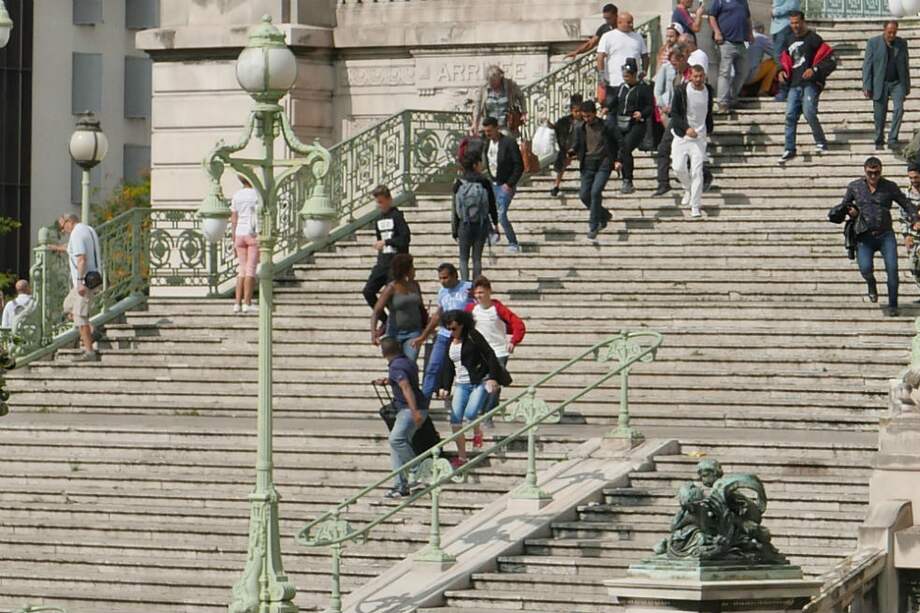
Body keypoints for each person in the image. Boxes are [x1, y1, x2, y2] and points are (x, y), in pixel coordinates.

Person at [828, 157, 918, 316]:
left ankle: (893, 305)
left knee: (892, 269)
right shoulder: (855, 187)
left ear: (881, 171)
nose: (873, 176)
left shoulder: (889, 187)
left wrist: (915, 219)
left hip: (885, 235)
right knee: (865, 268)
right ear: (865, 171)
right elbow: (844, 205)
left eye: (876, 173)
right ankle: (871, 283)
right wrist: (849, 211)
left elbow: (906, 203)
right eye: (870, 173)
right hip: (864, 236)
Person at [440, 309, 511, 468]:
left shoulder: (473, 335)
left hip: (479, 380)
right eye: (448, 329)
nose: (452, 332)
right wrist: (445, 386)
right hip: (460, 384)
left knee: (471, 413)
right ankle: (462, 457)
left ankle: (477, 431)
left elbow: (490, 354)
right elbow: (448, 366)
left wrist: (492, 377)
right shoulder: (449, 342)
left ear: (463, 325)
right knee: (455, 420)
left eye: (454, 328)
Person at [777, 11, 834, 164]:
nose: (794, 26)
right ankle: (789, 148)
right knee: (789, 115)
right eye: (792, 23)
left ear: (803, 22)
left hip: (810, 84)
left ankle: (821, 142)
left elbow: (830, 60)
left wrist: (814, 70)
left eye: (797, 22)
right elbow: (783, 61)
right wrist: (781, 72)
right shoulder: (788, 40)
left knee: (809, 112)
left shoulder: (814, 39)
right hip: (794, 85)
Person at [412, 264, 474, 399]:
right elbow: (437, 314)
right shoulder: (442, 292)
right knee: (432, 367)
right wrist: (423, 336)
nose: (442, 281)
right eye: (440, 278)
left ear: (454, 276)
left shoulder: (468, 287)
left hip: (463, 335)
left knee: (466, 369)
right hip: (444, 334)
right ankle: (424, 403)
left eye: (445, 278)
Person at [376, 337, 428, 499]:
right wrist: (388, 381)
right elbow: (406, 382)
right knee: (396, 448)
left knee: (396, 440)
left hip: (409, 409)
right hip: (415, 407)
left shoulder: (396, 366)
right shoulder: (407, 362)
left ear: (384, 352)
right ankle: (400, 486)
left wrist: (414, 412)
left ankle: (417, 471)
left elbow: (406, 388)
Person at [465, 276, 525, 415]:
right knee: (483, 384)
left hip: (498, 351)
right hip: (480, 353)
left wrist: (513, 341)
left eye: (482, 292)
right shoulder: (471, 309)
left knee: (494, 384)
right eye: (476, 293)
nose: (479, 296)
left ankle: (488, 415)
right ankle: (483, 411)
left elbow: (518, 324)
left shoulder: (497, 308)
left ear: (489, 291)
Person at [363, 185, 411, 337]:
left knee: (391, 298)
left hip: (395, 264)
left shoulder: (397, 216)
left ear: (389, 200)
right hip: (382, 262)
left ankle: (396, 325)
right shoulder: (378, 219)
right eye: (377, 202)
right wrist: (380, 246)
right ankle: (386, 319)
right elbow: (380, 239)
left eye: (382, 202)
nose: (379, 205)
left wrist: (387, 242)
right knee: (368, 291)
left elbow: (405, 239)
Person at [53, 214, 102, 362]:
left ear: (70, 221)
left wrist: (80, 282)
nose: (63, 231)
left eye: (63, 227)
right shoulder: (87, 229)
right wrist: (55, 248)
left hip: (85, 281)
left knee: (80, 317)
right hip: (90, 278)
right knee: (68, 306)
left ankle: (89, 352)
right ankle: (92, 331)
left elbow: (82, 259)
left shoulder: (76, 233)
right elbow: (71, 249)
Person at [671, 64, 715, 218]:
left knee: (697, 172)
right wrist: (685, 128)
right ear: (690, 76)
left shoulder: (708, 90)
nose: (698, 79)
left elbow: (708, 112)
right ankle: (687, 187)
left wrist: (708, 130)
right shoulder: (681, 91)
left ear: (704, 76)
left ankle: (695, 205)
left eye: (701, 76)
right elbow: (674, 114)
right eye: (695, 76)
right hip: (681, 136)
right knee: (678, 167)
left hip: (699, 138)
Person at [606, 57, 653, 195]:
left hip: (636, 125)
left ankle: (628, 180)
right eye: (624, 76)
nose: (625, 79)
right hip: (621, 122)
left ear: (634, 75)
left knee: (626, 147)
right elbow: (615, 102)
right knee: (618, 145)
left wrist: (642, 114)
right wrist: (607, 108)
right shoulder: (621, 88)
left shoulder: (644, 88)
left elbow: (650, 106)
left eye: (628, 76)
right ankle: (618, 164)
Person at [863, 21, 910, 150]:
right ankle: (879, 139)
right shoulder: (873, 43)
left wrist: (907, 86)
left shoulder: (902, 44)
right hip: (880, 83)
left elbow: (905, 65)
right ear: (884, 30)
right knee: (879, 115)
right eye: (889, 32)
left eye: (894, 32)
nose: (891, 35)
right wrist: (867, 85)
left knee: (899, 109)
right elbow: (867, 65)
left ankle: (893, 138)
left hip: (897, 83)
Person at [452, 151, 499, 282]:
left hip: (464, 225)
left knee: (463, 258)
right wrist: (495, 224)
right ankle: (476, 284)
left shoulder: (459, 183)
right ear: (475, 165)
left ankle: (465, 284)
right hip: (481, 224)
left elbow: (454, 210)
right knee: (477, 258)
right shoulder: (484, 182)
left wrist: (454, 230)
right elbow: (492, 206)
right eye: (479, 163)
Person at [572, 100, 615, 239]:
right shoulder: (581, 128)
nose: (587, 119)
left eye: (589, 116)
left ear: (595, 114)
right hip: (588, 164)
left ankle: (593, 226)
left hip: (603, 163)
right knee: (584, 195)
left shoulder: (606, 126)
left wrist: (618, 159)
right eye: (584, 117)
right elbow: (578, 144)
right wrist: (572, 151)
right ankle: (604, 215)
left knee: (595, 192)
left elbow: (618, 142)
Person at [371, 254, 424, 361]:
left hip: (414, 332)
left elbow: (420, 306)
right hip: (395, 333)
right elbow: (377, 311)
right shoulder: (391, 288)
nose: (414, 270)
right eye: (412, 267)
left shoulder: (415, 285)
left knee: (410, 362)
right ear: (405, 270)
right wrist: (374, 333)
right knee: (397, 365)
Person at [482, 116, 524, 253]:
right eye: (485, 131)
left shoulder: (509, 143)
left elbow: (519, 165)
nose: (487, 134)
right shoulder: (487, 143)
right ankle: (493, 234)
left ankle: (513, 242)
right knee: (486, 211)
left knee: (501, 214)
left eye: (489, 131)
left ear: (496, 128)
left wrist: (510, 183)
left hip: (505, 185)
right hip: (492, 184)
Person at [654, 45, 688, 196]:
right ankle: (663, 183)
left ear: (682, 59)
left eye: (675, 63)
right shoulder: (676, 76)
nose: (673, 66)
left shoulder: (692, 74)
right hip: (675, 117)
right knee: (663, 149)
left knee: (686, 150)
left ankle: (703, 175)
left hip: (687, 119)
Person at [709, 0, 753, 113]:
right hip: (726, 42)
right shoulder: (719, 1)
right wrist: (717, 32)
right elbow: (712, 16)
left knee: (743, 71)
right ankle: (722, 103)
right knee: (725, 73)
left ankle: (733, 98)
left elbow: (748, 18)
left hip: (742, 42)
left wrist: (750, 33)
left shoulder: (743, 2)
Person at [597, 11, 649, 97]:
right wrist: (601, 75)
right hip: (614, 81)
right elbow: (600, 56)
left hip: (633, 81)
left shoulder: (638, 37)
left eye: (631, 22)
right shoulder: (608, 36)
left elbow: (645, 55)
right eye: (628, 22)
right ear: (619, 22)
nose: (631, 25)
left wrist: (644, 71)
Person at [230, 176, 260, 314]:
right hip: (252, 232)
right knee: (250, 269)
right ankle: (247, 302)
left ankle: (237, 303)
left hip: (239, 234)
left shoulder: (237, 195)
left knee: (241, 269)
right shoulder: (256, 194)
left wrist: (233, 236)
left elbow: (234, 218)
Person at [471, 65, 526, 139]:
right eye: (490, 81)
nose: (491, 83)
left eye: (493, 81)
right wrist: (475, 124)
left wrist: (524, 112)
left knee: (505, 145)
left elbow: (521, 97)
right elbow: (477, 107)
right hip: (490, 126)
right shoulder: (484, 88)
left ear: (499, 78)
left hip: (506, 126)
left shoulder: (510, 85)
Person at [549, 94, 584, 197]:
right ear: (571, 111)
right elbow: (557, 127)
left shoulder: (585, 121)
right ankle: (556, 185)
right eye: (575, 111)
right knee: (562, 164)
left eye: (579, 111)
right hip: (569, 146)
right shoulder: (566, 121)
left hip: (582, 146)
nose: (578, 114)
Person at [770, 0, 800, 101]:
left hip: (784, 26)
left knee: (782, 59)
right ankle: (785, 88)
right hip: (777, 27)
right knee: (779, 58)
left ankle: (785, 89)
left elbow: (792, 5)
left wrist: (775, 12)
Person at [743, 24, 778, 97]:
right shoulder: (761, 38)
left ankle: (742, 90)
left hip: (737, 77)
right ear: (762, 30)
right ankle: (763, 90)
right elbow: (776, 53)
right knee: (774, 62)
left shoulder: (743, 37)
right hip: (751, 76)